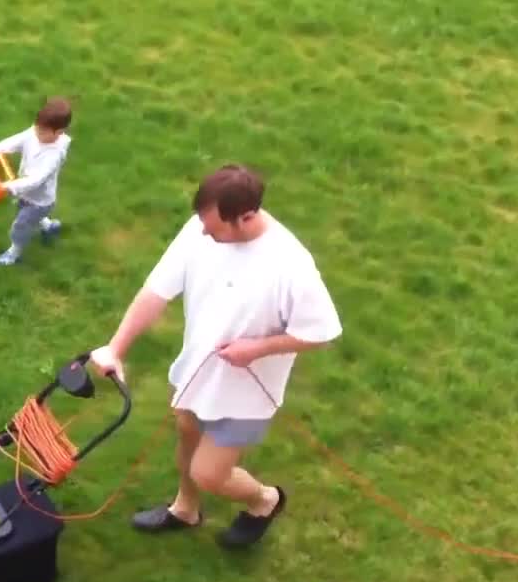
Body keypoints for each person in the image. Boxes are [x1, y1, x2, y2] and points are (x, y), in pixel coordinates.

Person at [88, 164, 342, 548]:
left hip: (247, 394)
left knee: (209, 473)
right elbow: (157, 290)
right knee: (187, 434)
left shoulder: (291, 266)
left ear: (247, 216)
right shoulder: (199, 230)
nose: (204, 232)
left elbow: (321, 333)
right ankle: (185, 510)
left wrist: (256, 349)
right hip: (196, 372)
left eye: (214, 227)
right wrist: (116, 348)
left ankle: (264, 500)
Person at [0, 96, 73, 266]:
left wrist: (5, 186)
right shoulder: (36, 132)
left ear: (58, 133)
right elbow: (15, 141)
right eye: (37, 128)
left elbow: (35, 180)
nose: (37, 134)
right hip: (26, 194)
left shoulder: (54, 154)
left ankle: (14, 252)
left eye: (43, 132)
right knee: (25, 212)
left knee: (20, 225)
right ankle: (49, 227)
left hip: (40, 201)